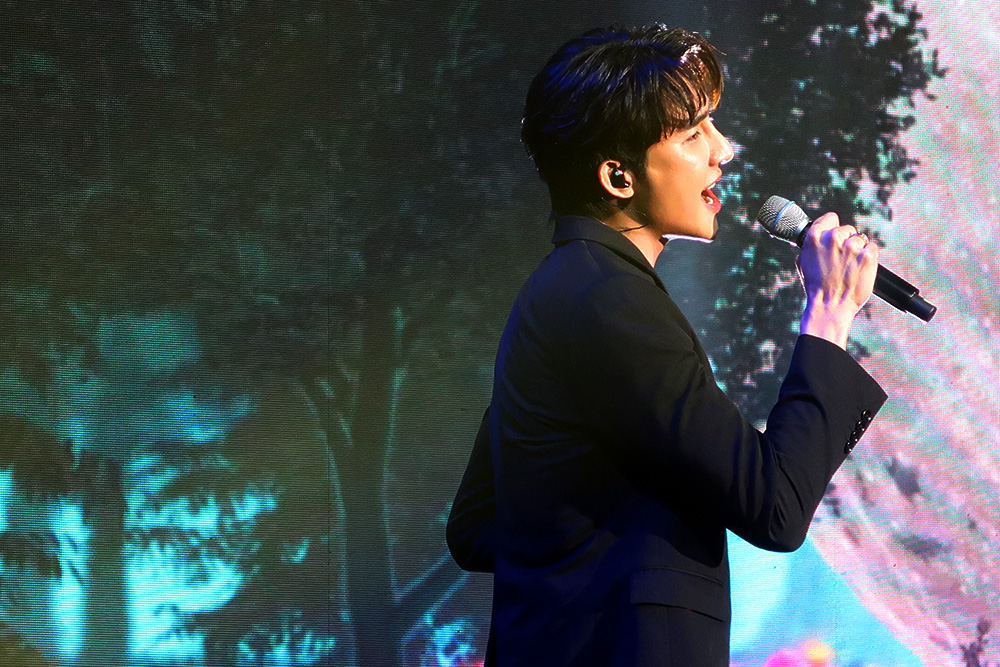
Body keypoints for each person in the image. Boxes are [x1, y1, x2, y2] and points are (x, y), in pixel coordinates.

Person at [446, 24, 887, 667]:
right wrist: (828, 313)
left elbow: (476, 525)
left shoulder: (565, 289)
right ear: (619, 176)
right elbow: (776, 503)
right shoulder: (611, 302)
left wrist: (592, 546)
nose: (723, 150)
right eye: (692, 134)